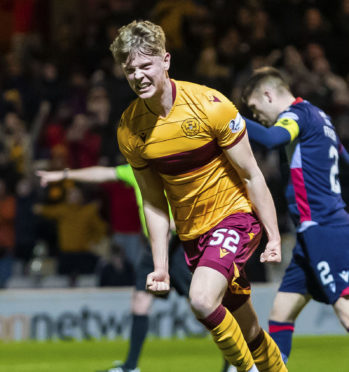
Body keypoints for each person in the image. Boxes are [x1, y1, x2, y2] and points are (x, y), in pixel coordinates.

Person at [111, 20, 287, 372]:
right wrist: (161, 266)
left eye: (146, 66)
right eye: (130, 69)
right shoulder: (130, 130)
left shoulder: (210, 105)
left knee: (202, 300)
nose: (139, 76)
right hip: (193, 234)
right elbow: (155, 202)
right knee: (249, 330)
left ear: (166, 61)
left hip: (234, 217)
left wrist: (274, 235)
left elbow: (252, 174)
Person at [36, 164, 192, 372]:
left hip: (180, 245)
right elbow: (103, 173)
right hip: (154, 246)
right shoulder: (138, 168)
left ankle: (236, 361)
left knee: (204, 304)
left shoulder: (177, 166)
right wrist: (64, 174)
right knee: (140, 302)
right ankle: (130, 367)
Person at [242, 66, 349, 363]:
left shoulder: (296, 115)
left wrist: (228, 118)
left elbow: (272, 138)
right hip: (311, 233)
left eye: (253, 108)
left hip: (323, 227)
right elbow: (344, 158)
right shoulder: (322, 117)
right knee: (281, 313)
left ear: (267, 94)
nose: (255, 116)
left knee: (345, 308)